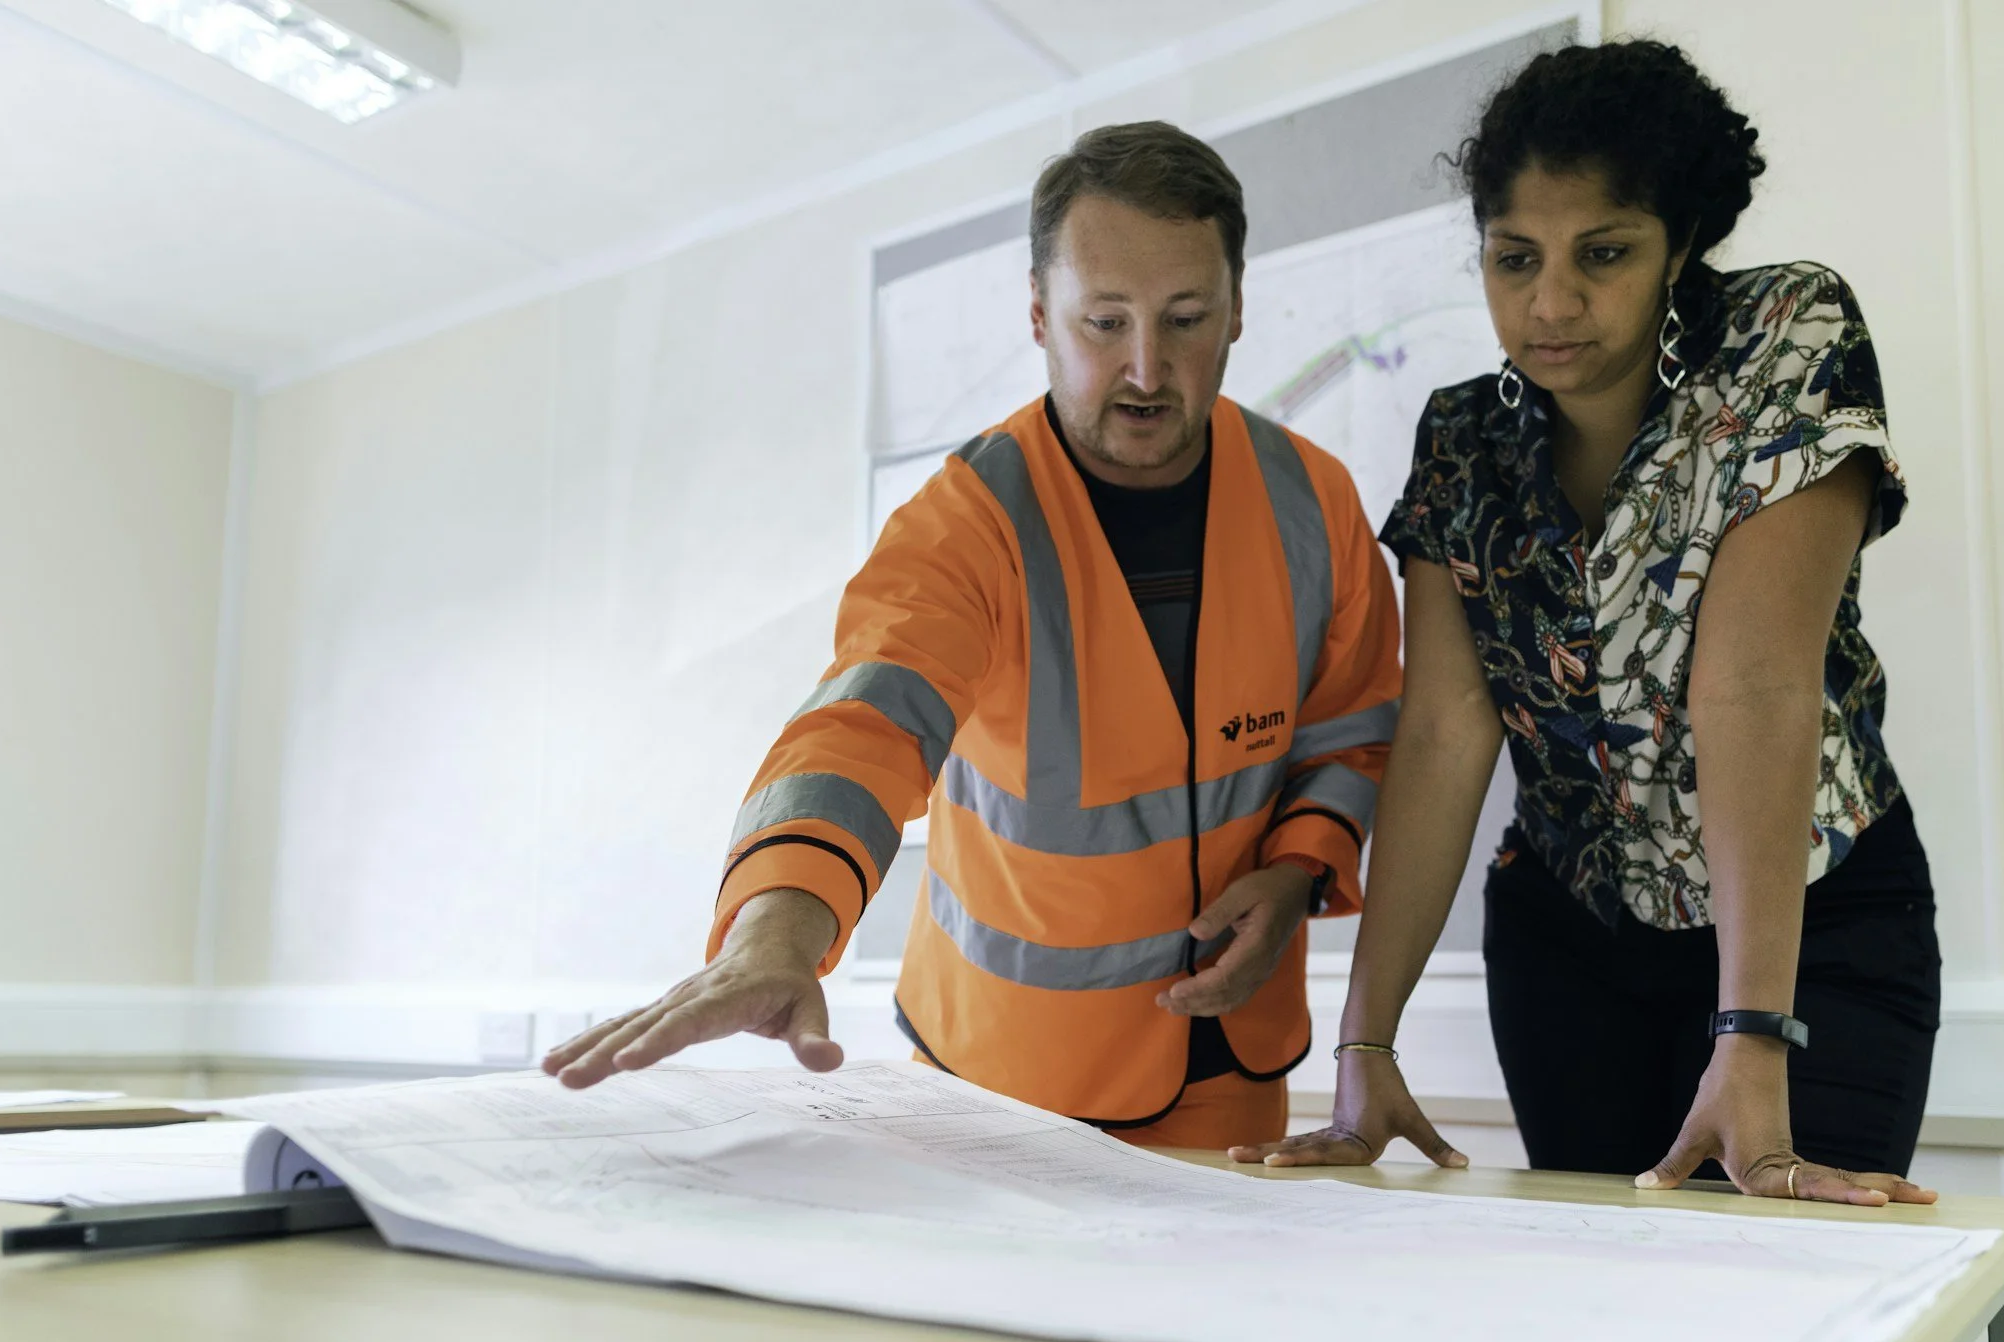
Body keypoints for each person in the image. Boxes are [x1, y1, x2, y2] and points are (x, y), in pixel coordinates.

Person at [543, 122, 1403, 1153]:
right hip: (1001, 1082)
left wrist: (1299, 868)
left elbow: (1348, 731)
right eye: (1102, 323)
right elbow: (862, 728)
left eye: (1185, 319)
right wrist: (775, 934)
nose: (1145, 367)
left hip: (1230, 1063)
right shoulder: (962, 523)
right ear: (1039, 316)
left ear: (1237, 313)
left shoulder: (1314, 501)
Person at [1230, 41, 1942, 1206]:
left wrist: (1751, 1033)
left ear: (1679, 247)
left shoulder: (1784, 337)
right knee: (1609, 1322)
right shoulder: (1462, 440)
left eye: (1602, 255)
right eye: (1514, 259)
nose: (1550, 303)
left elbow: (1751, 688)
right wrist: (1364, 1049)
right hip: (1569, 947)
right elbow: (1446, 735)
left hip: (1809, 929)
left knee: (1774, 1299)